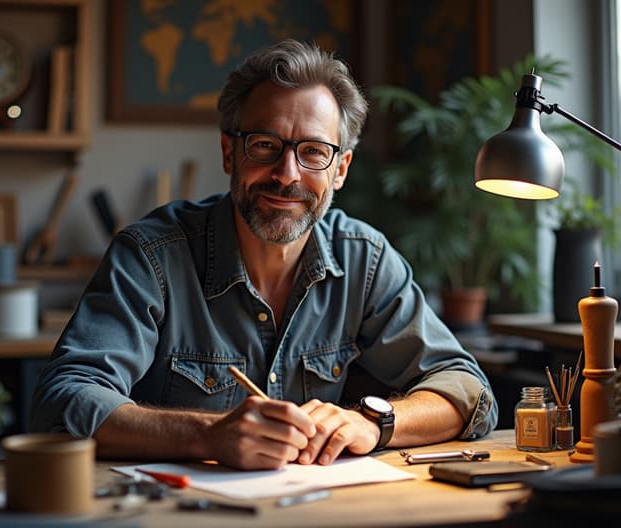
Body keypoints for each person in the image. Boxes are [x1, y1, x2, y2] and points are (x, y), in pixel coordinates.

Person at [30, 39, 498, 470]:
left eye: (314, 152)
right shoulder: (152, 256)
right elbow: (63, 402)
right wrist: (207, 435)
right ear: (230, 153)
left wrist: (374, 422)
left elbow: (467, 389)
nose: (287, 174)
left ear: (340, 170)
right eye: (265, 146)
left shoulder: (365, 258)